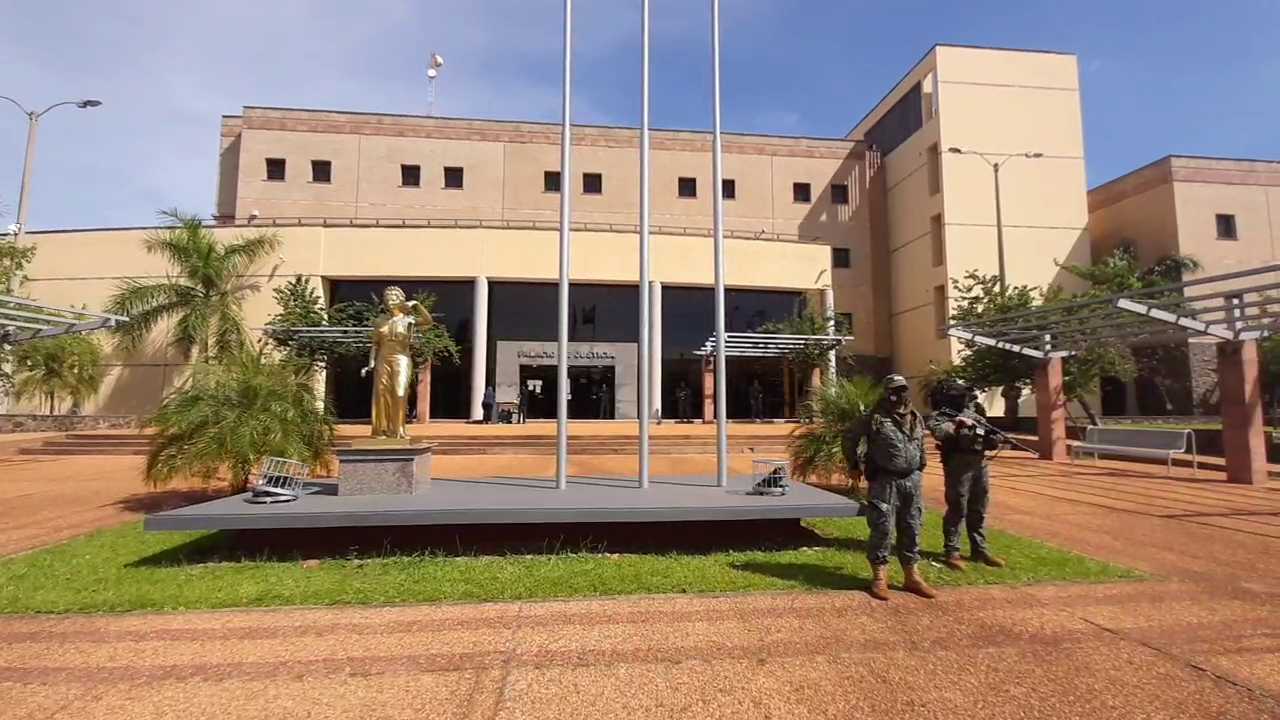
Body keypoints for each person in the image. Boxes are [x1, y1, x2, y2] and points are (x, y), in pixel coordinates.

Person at [844, 374, 936, 601]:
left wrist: (920, 463)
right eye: (894, 390)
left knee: (912, 526)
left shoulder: (914, 416)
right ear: (886, 391)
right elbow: (849, 437)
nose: (899, 394)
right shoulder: (873, 417)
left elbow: (920, 442)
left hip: (911, 480)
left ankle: (912, 575)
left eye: (903, 389)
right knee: (883, 527)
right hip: (885, 481)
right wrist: (853, 464)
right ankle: (879, 576)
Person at [928, 382, 1005, 571]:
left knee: (979, 507)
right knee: (957, 508)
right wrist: (956, 423)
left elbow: (991, 437)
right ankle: (952, 551)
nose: (963, 400)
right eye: (959, 397)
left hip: (980, 464)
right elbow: (938, 432)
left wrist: (993, 438)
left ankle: (980, 549)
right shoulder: (941, 416)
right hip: (957, 466)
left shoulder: (975, 415)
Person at [361, 286, 433, 439]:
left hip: (401, 359)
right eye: (387, 298)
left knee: (400, 393)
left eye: (393, 298)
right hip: (382, 358)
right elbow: (375, 344)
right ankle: (380, 431)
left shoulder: (409, 321)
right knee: (380, 394)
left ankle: (398, 430)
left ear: (401, 301)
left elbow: (428, 321)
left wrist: (416, 304)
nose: (389, 301)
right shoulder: (380, 321)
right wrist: (371, 364)